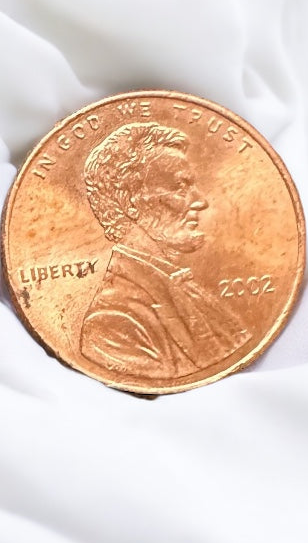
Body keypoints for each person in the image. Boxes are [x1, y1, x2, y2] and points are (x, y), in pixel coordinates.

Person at [79, 122, 250, 379]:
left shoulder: (187, 288)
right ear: (130, 202)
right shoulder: (112, 322)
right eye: (180, 187)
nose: (200, 201)